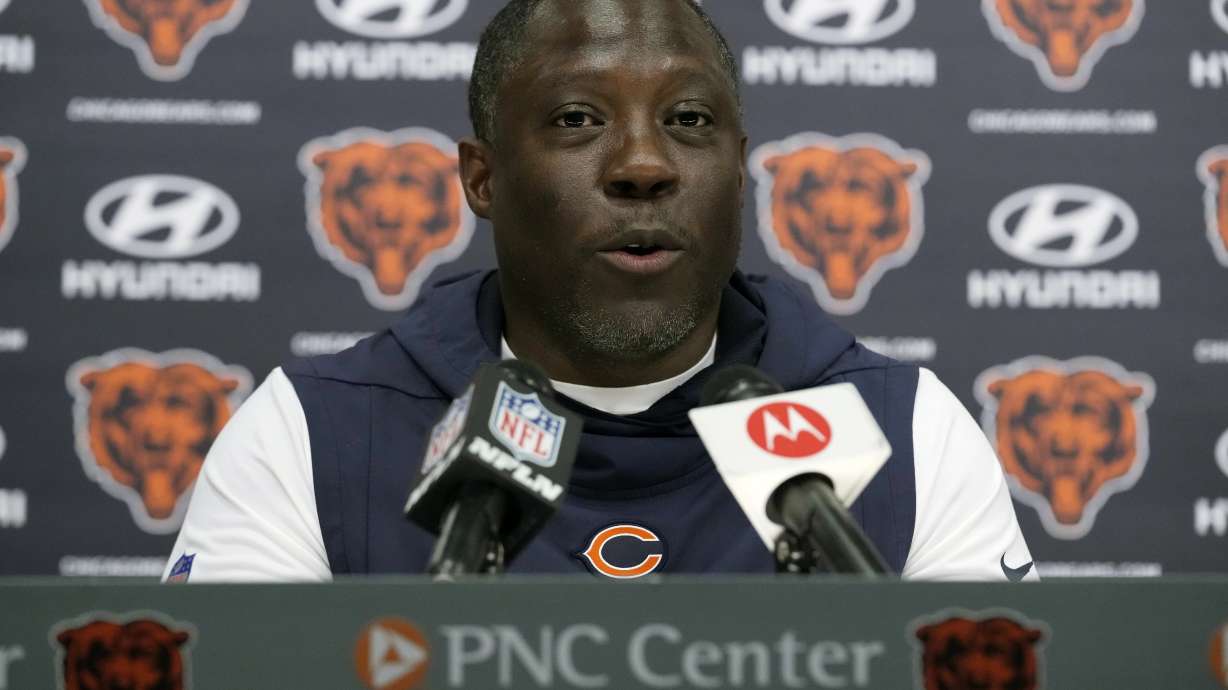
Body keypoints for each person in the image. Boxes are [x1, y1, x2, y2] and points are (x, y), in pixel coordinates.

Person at [163, 0, 1035, 582]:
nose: (644, 166)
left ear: (741, 170)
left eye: (689, 121)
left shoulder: (903, 432)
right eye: (578, 119)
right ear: (483, 179)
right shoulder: (314, 436)